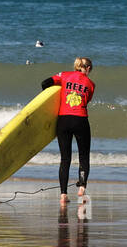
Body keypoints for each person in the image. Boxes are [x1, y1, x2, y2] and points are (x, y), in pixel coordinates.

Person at [41, 57, 95, 207]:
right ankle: (82, 187)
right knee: (83, 156)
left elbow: (45, 83)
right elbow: (86, 100)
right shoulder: (91, 84)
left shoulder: (64, 75)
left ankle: (63, 195)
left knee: (65, 159)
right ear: (88, 69)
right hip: (81, 120)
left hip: (63, 121)